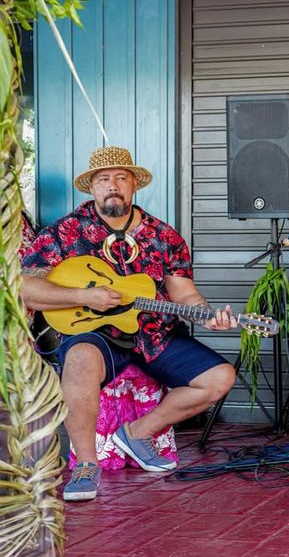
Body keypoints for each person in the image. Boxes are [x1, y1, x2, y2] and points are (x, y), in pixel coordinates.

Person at [21, 146, 237, 501]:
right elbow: (28, 288)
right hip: (94, 331)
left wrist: (206, 311)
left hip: (154, 334)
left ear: (134, 185)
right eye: (104, 179)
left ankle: (137, 433)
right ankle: (86, 465)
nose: (113, 185)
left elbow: (183, 293)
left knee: (220, 378)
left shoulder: (164, 237)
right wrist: (84, 297)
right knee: (79, 360)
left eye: (121, 178)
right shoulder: (64, 233)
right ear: (91, 187)